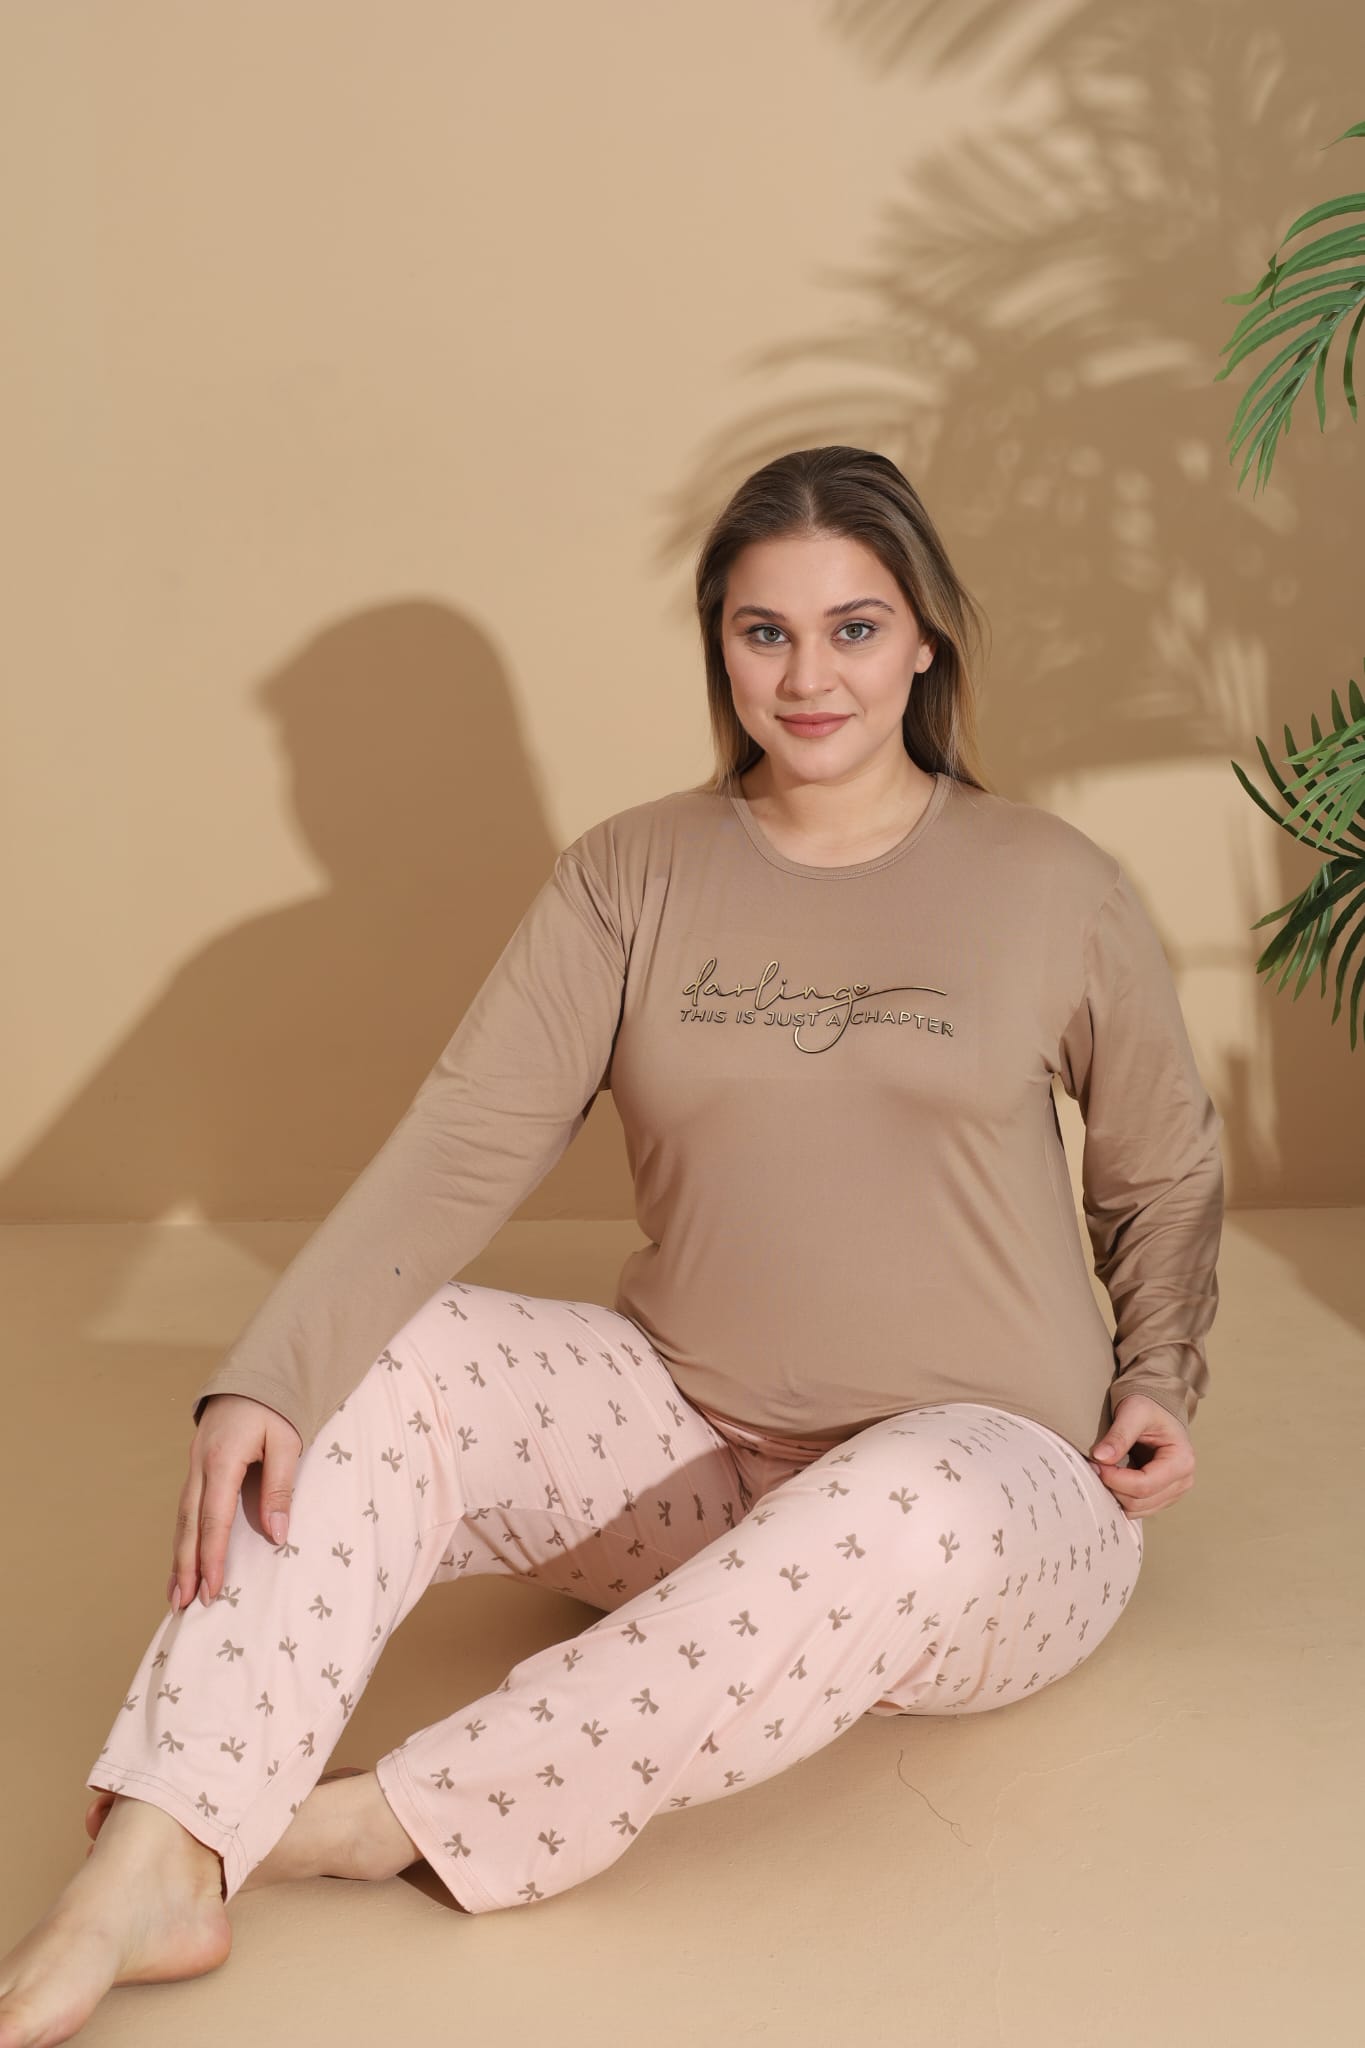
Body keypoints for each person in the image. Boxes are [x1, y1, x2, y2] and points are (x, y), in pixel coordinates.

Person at [0, 445, 1223, 2042]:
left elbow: (1161, 1167)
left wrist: (1159, 1370)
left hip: (995, 1510)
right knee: (393, 1357)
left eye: (853, 629)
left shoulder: (1050, 885)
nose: (808, 677)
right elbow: (463, 1143)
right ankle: (159, 1851)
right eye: (763, 632)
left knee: (908, 1497)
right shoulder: (632, 875)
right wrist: (270, 1379)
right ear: (718, 645)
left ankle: (380, 1819)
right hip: (695, 1471)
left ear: (925, 640)